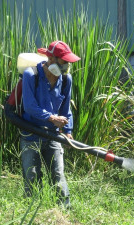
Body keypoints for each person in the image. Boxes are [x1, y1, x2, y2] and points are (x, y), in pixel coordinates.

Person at [20, 41, 80, 209]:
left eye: (68, 62)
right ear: (51, 58)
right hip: (30, 134)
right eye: (64, 61)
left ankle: (64, 213)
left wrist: (68, 131)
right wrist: (51, 117)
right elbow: (30, 107)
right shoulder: (31, 75)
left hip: (53, 134)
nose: (67, 66)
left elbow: (66, 109)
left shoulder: (66, 79)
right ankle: (32, 212)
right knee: (32, 176)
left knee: (58, 175)